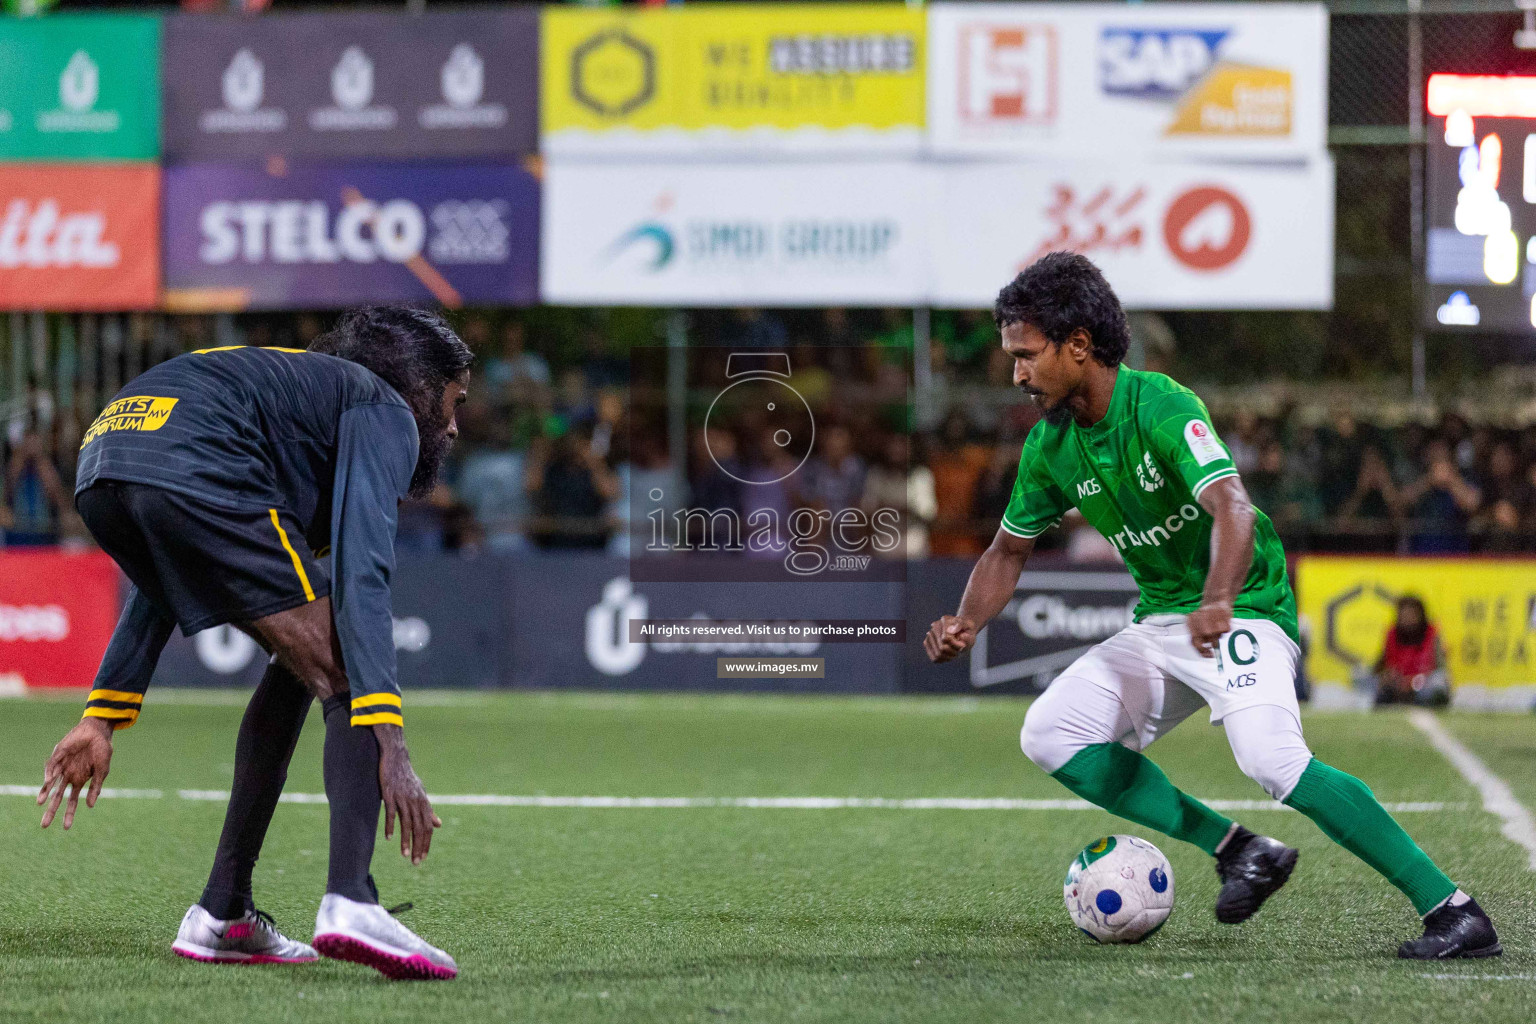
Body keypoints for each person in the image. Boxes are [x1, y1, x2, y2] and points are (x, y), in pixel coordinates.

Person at [924, 252, 1499, 959]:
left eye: (1026, 355)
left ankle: (1452, 908)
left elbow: (1231, 504)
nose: (1016, 373)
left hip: (1244, 606)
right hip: (1165, 619)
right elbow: (1007, 551)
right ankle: (1241, 850)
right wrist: (967, 621)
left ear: (1078, 346)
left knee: (1272, 760)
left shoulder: (1161, 405)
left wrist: (1220, 599)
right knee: (1050, 732)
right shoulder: (1050, 448)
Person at [35, 307, 472, 980]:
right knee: (347, 671)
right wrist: (391, 739)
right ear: (417, 385)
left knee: (301, 666)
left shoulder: (296, 406)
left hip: (104, 463)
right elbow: (363, 575)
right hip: (192, 457)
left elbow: (164, 575)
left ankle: (222, 913)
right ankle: (352, 900)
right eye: (452, 403)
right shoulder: (381, 406)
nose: (451, 426)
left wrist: (103, 717)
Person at [1369, 596, 1451, 707]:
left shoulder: (1432, 634)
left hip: (1423, 684)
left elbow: (1439, 668)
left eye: (1412, 615)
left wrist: (1413, 682)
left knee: (1438, 682)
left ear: (1420, 615)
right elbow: (1380, 666)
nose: (1407, 619)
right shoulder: (1392, 633)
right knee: (1366, 680)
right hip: (1397, 684)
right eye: (1403, 615)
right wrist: (1389, 676)